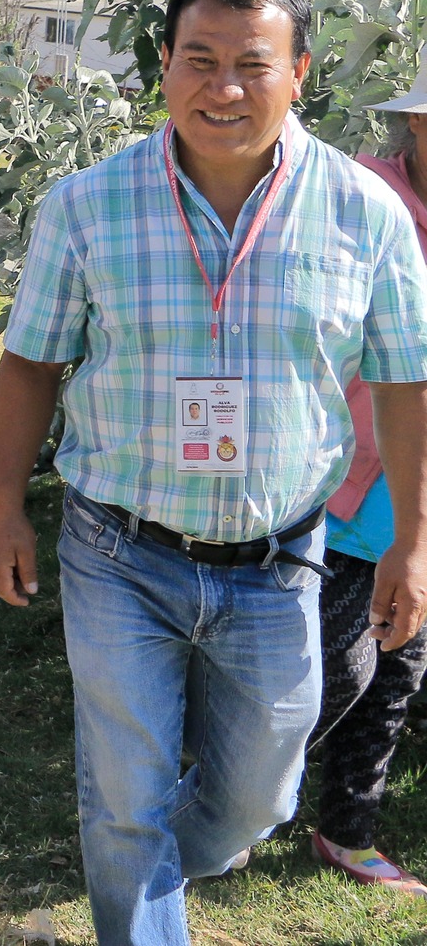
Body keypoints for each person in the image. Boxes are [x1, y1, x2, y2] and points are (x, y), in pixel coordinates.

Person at [0, 0, 427, 944]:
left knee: (252, 803)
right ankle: (129, 883)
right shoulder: (87, 207)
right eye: (199, 61)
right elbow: (27, 366)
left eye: (249, 66)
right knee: (124, 801)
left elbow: (402, 384)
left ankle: (126, 875)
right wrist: (1, 504)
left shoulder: (363, 215)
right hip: (116, 551)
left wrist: (411, 545)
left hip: (276, 564)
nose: (221, 89)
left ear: (297, 72)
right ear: (164, 69)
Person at [303, 70, 427, 895]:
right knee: (332, 663)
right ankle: (229, 804)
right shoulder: (359, 199)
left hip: (416, 487)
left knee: (402, 664)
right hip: (348, 471)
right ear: (415, 124)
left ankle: (346, 829)